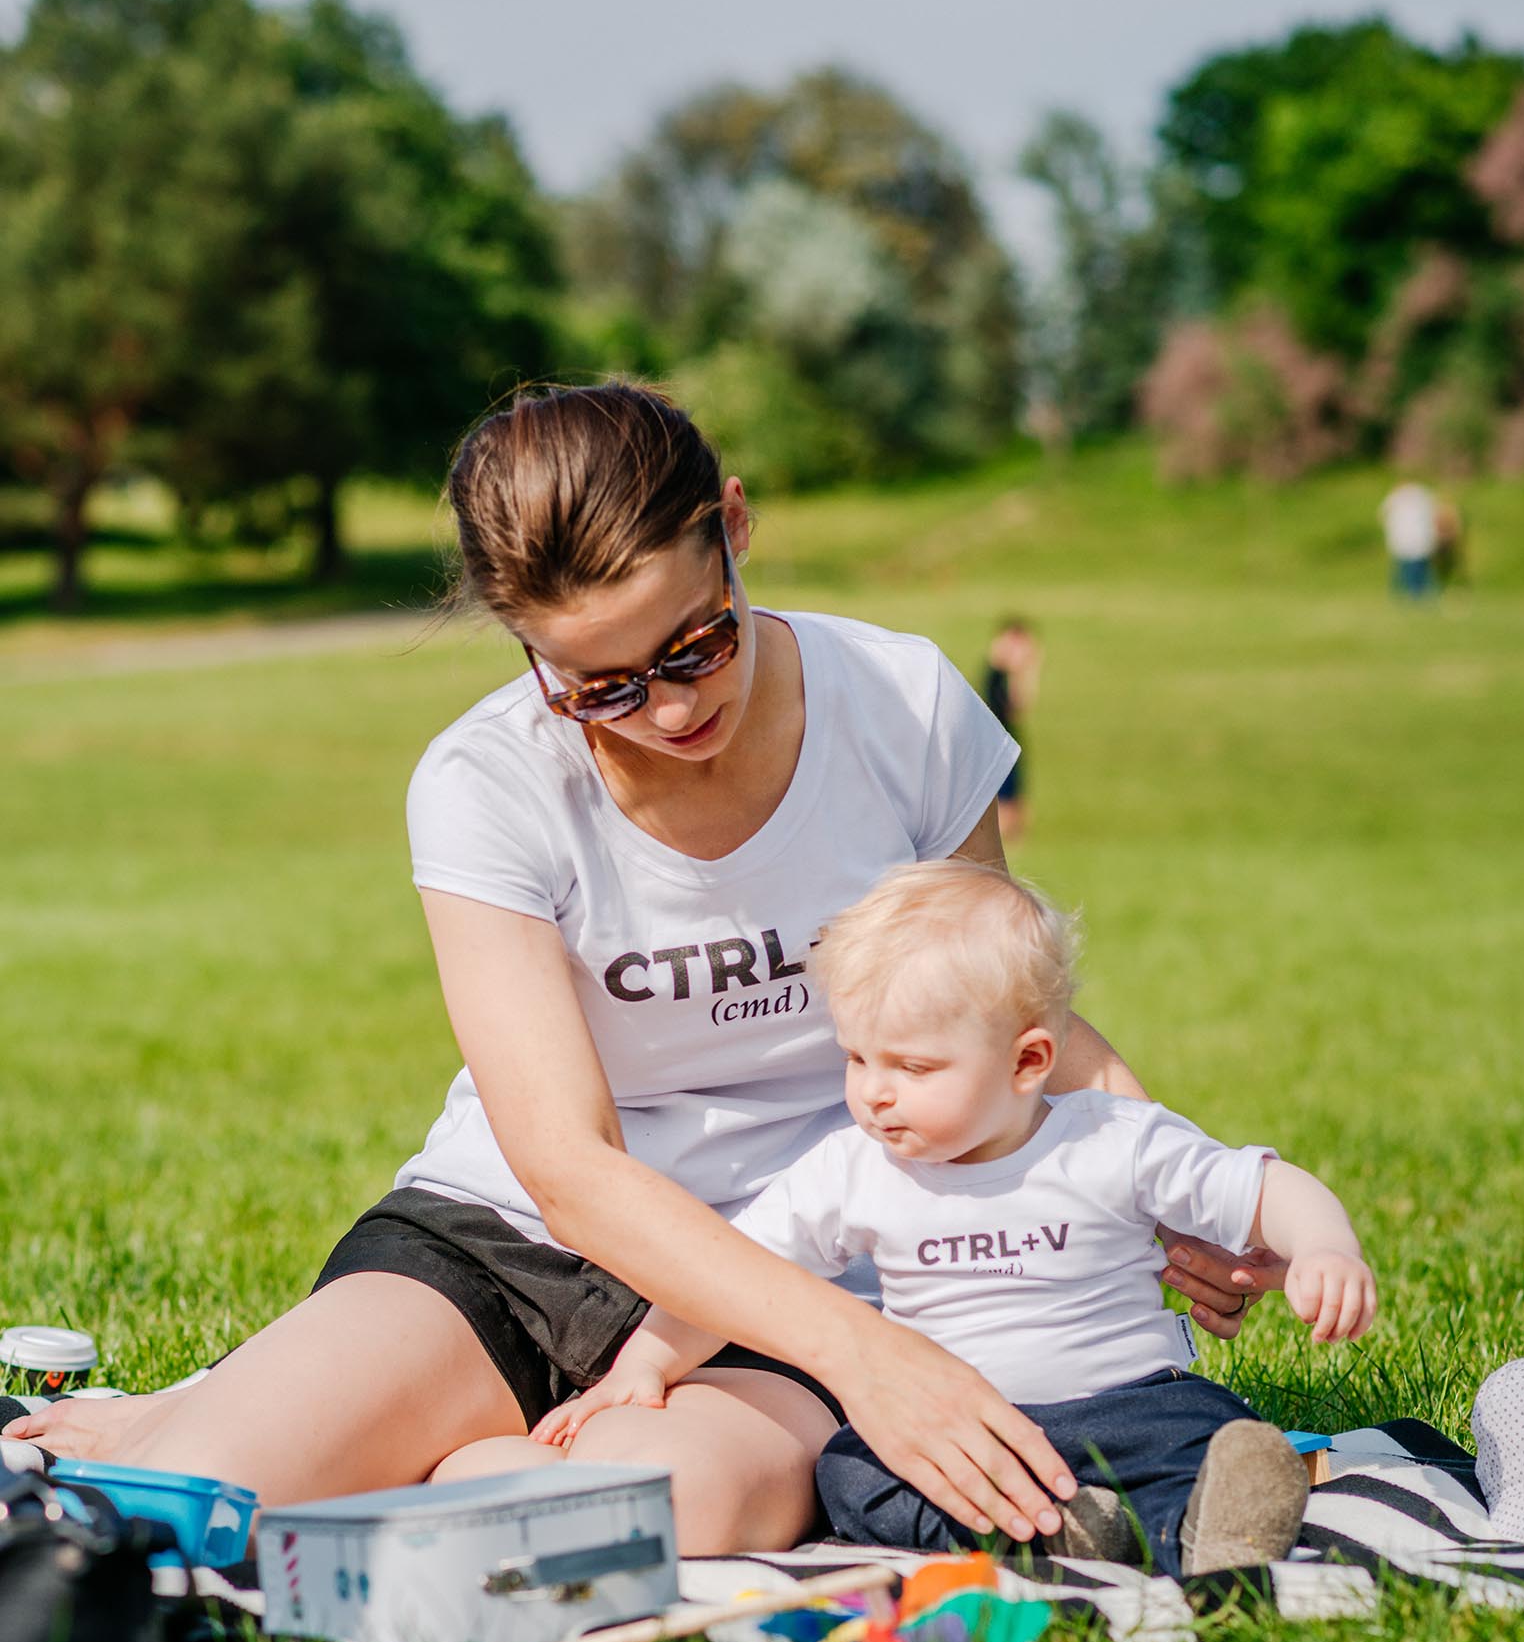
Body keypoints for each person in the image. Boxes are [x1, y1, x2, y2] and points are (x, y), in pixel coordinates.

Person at [13, 385, 1274, 1556]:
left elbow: (1009, 1017)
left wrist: (1176, 1180)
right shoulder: (484, 781)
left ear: (732, 527)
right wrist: (871, 1360)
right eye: (600, 686)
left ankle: (438, 1455)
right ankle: (217, 1414)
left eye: (694, 646)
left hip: (795, 1270)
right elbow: (565, 1168)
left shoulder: (901, 703)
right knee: (190, 1500)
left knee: (667, 1511)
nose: (668, 712)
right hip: (510, 1243)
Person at [532, 860, 1376, 1576]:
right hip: (957, 1422)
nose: (875, 1090)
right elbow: (734, 1270)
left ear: (1028, 1061)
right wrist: (644, 1364)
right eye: (858, 1057)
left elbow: (1264, 1186)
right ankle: (1071, 1531)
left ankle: (1203, 1529)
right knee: (854, 1474)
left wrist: (1323, 1243)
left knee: (1203, 1438)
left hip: (1130, 1401)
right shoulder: (855, 1169)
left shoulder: (1112, 1139)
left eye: (913, 1065)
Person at [981, 619, 1042, 844]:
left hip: (1004, 742)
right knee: (1007, 810)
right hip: (1000, 746)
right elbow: (1017, 706)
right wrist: (1027, 670)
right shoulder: (996, 676)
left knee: (1013, 807)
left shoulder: (995, 675)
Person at [1380, 482, 1439, 601]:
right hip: (1406, 541)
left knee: (1417, 568)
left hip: (1418, 541)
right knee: (1407, 569)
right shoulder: (1398, 499)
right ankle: (1410, 593)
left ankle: (1417, 593)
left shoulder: (1421, 498)